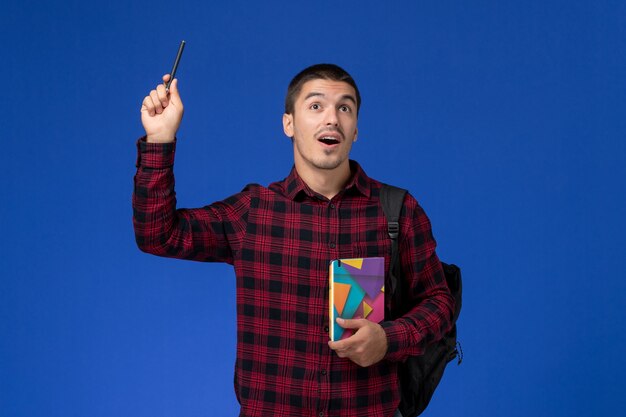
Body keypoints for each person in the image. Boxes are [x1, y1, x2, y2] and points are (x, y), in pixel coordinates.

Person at [133, 63, 454, 417]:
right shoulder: (252, 213)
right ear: (288, 124)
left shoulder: (399, 211)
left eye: (344, 108)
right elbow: (157, 235)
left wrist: (389, 339)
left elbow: (439, 303)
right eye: (316, 106)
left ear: (356, 129)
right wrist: (160, 139)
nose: (332, 118)